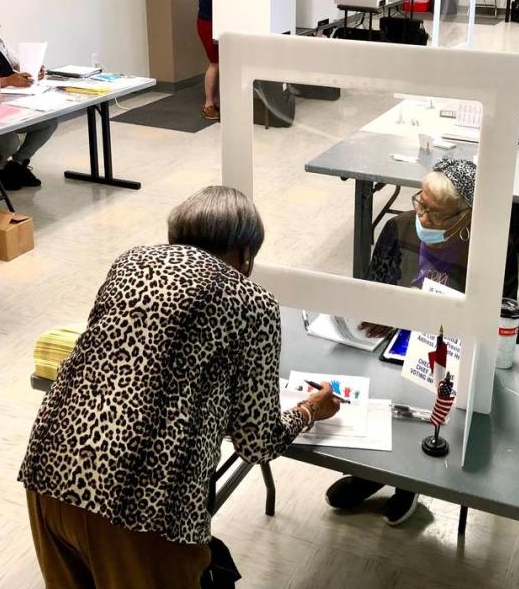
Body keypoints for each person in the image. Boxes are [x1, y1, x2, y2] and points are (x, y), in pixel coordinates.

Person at [19, 186, 341, 589]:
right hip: (141, 502)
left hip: (48, 469)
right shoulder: (253, 302)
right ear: (245, 253)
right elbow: (257, 443)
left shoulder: (129, 263)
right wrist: (309, 410)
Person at [326, 158, 517, 527]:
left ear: (466, 216)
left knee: (432, 401)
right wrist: (380, 312)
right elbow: (374, 292)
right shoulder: (397, 229)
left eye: (436, 213)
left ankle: (405, 483)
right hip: (396, 342)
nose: (423, 218)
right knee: (376, 392)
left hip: (453, 353)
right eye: (420, 203)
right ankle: (375, 472)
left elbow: (499, 315)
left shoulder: (492, 251)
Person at [0, 2, 57, 190]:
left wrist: (32, 70)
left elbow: (18, 65)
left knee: (49, 122)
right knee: (10, 142)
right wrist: (8, 80)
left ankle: (17, 164)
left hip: (13, 105)